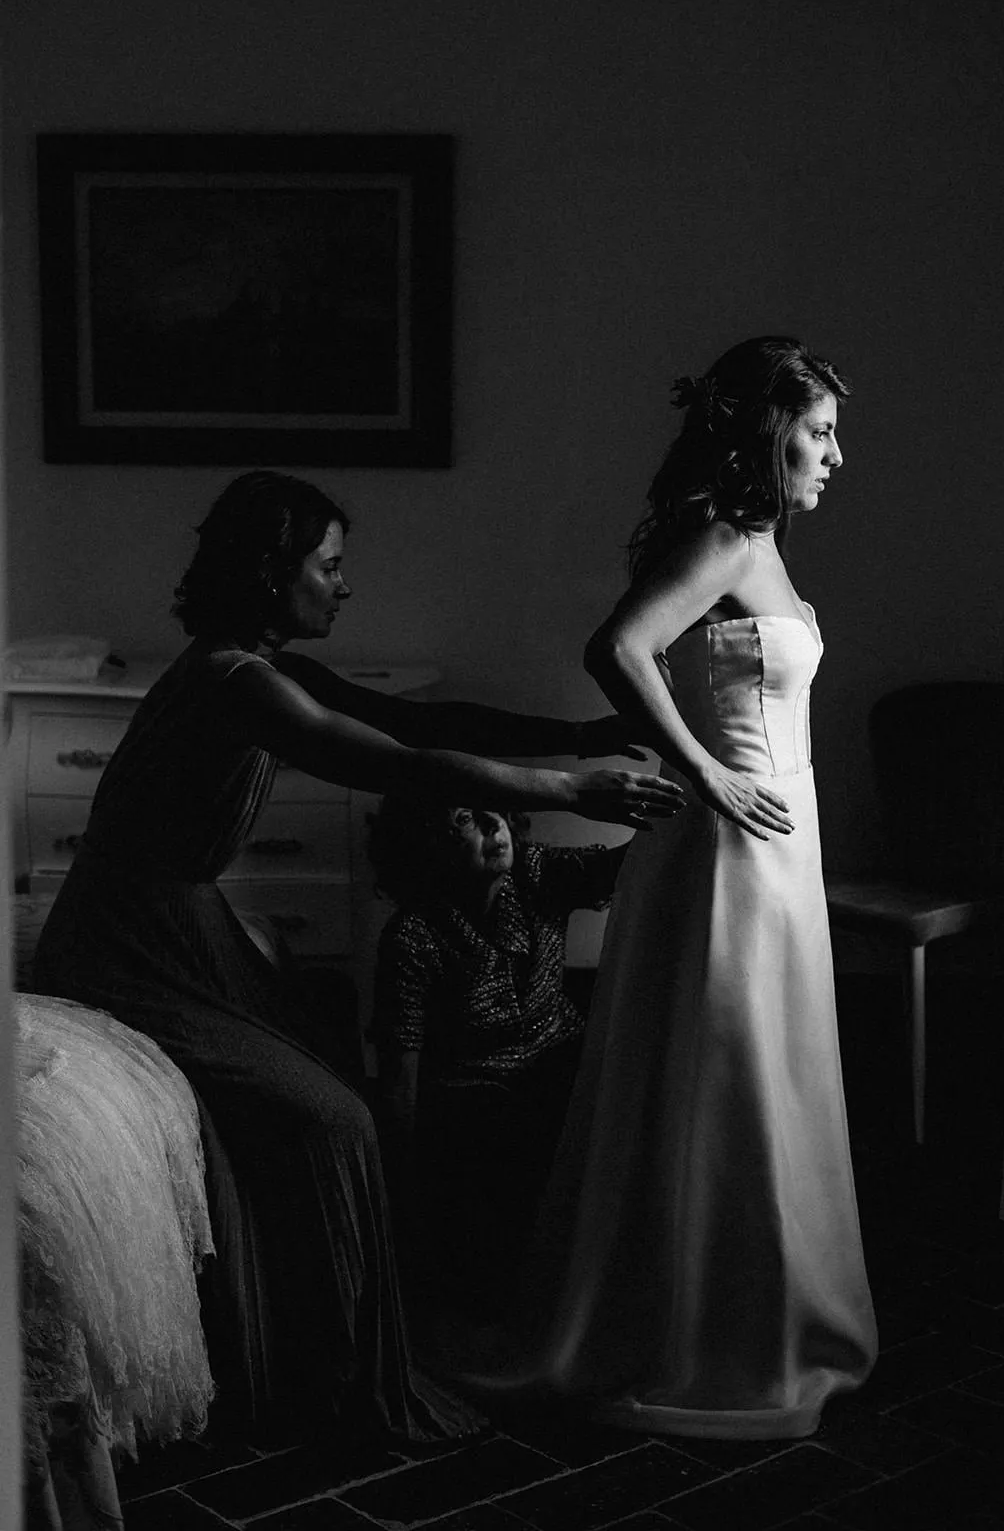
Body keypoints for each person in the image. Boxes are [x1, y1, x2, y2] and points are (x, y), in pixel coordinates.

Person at [33, 469, 684, 1448]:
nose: (343, 586)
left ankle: (320, 1340)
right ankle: (337, 1383)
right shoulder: (234, 680)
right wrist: (564, 783)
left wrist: (590, 734)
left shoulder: (256, 663)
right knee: (332, 1121)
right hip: (131, 942)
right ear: (270, 574)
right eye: (328, 566)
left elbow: (425, 724)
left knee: (338, 1079)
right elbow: (395, 765)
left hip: (181, 925)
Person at [476, 336, 877, 1440]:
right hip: (724, 848)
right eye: (818, 431)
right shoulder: (726, 532)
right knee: (724, 1071)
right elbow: (619, 647)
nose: (835, 454)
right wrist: (704, 776)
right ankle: (702, 1333)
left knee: (763, 1073)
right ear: (765, 434)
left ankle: (761, 1313)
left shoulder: (759, 542)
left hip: (772, 843)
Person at [370, 798, 628, 1323]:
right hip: (475, 1110)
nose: (495, 825)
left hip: (562, 1072)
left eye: (496, 809)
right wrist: (403, 1199)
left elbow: (626, 865)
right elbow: (401, 1080)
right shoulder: (412, 938)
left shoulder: (536, 874)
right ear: (427, 842)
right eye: (465, 816)